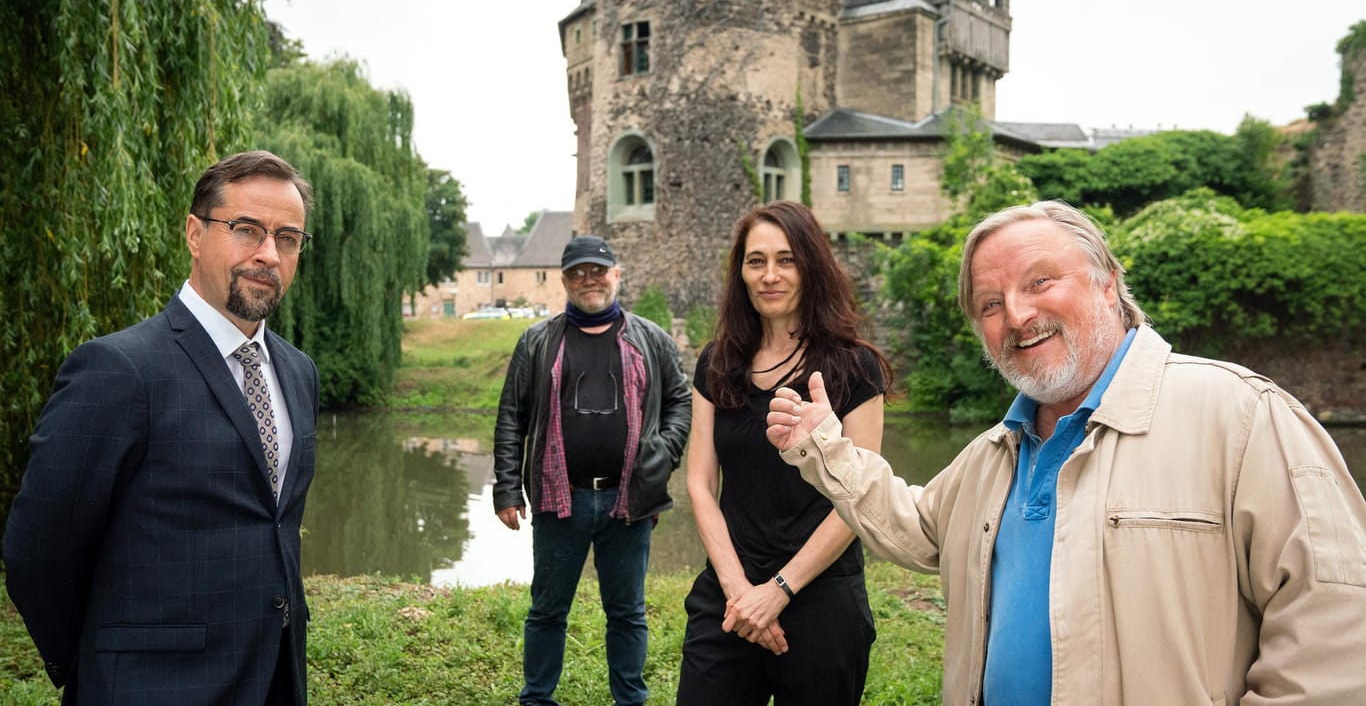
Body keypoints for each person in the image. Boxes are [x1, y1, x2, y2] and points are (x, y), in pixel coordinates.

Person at [766, 199, 1366, 704]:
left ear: (1108, 281)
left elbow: (1334, 631)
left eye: (1039, 282)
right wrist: (825, 447)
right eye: (991, 304)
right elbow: (920, 529)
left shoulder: (1241, 416)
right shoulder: (995, 452)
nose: (1018, 315)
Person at [4, 150, 321, 705]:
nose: (269, 254)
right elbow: (38, 551)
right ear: (195, 234)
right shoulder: (119, 370)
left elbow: (274, 528)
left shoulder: (298, 372)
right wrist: (101, 664)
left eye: (288, 238)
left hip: (274, 680)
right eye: (246, 229)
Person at [676, 201, 892, 706]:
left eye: (786, 259)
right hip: (729, 592)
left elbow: (858, 497)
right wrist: (738, 590)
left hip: (821, 597)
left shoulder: (853, 367)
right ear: (741, 273)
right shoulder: (718, 361)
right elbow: (700, 483)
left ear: (811, 266)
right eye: (756, 261)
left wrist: (778, 590)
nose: (770, 275)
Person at [493, 235, 691, 706]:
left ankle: (631, 699)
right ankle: (537, 698)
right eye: (578, 272)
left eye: (598, 271)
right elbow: (511, 416)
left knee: (627, 613)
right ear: (564, 281)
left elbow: (681, 400)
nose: (589, 280)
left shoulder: (651, 338)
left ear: (616, 275)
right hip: (561, 499)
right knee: (547, 610)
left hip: (631, 499)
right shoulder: (538, 340)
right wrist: (506, 488)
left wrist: (664, 456)